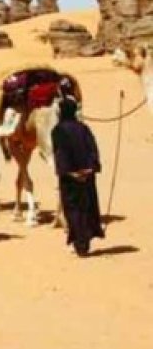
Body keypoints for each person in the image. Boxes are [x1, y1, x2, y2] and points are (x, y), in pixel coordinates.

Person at [51, 99, 104, 257]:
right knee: (86, 208)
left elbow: (60, 153)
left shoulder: (57, 130)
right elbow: (92, 148)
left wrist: (71, 172)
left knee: (73, 210)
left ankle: (80, 244)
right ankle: (84, 242)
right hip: (87, 176)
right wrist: (89, 169)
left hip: (70, 178)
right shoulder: (83, 128)